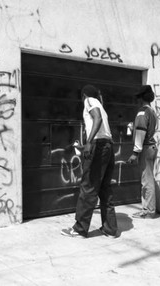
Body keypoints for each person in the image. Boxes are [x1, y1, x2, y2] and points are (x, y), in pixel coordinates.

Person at [61, 85, 118, 238]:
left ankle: (80, 229)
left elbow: (96, 118)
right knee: (105, 189)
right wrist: (85, 144)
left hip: (99, 147)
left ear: (84, 95)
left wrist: (89, 142)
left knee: (88, 187)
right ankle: (110, 229)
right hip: (108, 146)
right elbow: (101, 127)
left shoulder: (90, 100)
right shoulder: (101, 105)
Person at [127, 85, 160, 219]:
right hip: (152, 148)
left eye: (138, 97)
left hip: (145, 149)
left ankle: (148, 211)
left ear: (140, 99)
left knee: (146, 181)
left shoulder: (142, 112)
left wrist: (135, 152)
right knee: (150, 178)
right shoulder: (152, 111)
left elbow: (140, 132)